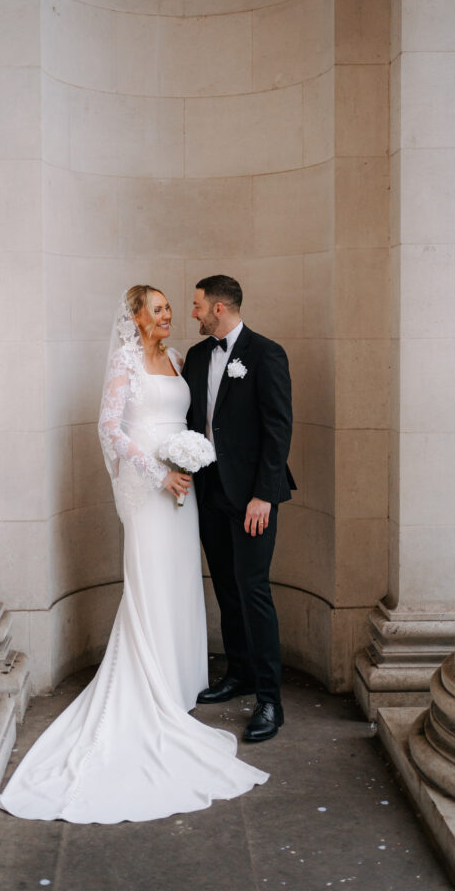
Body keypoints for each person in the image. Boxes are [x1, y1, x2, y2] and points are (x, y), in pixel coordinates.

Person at [0, 285, 267, 824]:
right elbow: (110, 428)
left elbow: (194, 421)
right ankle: (150, 685)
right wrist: (158, 471)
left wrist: (189, 459)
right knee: (148, 577)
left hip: (182, 487)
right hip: (149, 487)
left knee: (180, 578)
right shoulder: (125, 359)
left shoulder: (177, 358)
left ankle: (180, 681)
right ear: (137, 316)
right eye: (161, 309)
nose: (170, 316)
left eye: (173, 308)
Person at [182, 275, 295, 743]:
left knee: (253, 592)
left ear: (220, 308)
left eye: (197, 305)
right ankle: (240, 673)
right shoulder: (196, 356)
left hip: (252, 499)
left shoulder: (266, 354)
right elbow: (190, 421)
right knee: (227, 589)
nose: (193, 313)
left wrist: (264, 495)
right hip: (208, 494)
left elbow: (278, 430)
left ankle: (270, 698)